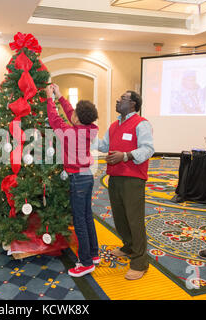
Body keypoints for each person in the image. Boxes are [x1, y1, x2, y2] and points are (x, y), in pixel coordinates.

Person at [96, 90, 154, 280]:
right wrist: (84, 133)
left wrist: (126, 155)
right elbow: (104, 146)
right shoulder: (113, 126)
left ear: (133, 104)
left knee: (134, 220)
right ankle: (128, 246)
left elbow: (148, 149)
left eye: (122, 98)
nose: (118, 100)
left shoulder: (141, 123)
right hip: (114, 177)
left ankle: (140, 262)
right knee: (120, 217)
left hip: (133, 178)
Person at [46, 83, 99, 278]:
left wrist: (50, 99)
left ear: (78, 118)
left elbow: (55, 120)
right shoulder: (90, 128)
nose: (72, 114)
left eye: (75, 113)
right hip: (88, 177)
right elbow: (70, 115)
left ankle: (85, 263)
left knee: (80, 221)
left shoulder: (70, 133)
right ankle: (93, 254)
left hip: (77, 179)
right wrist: (60, 96)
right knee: (87, 216)